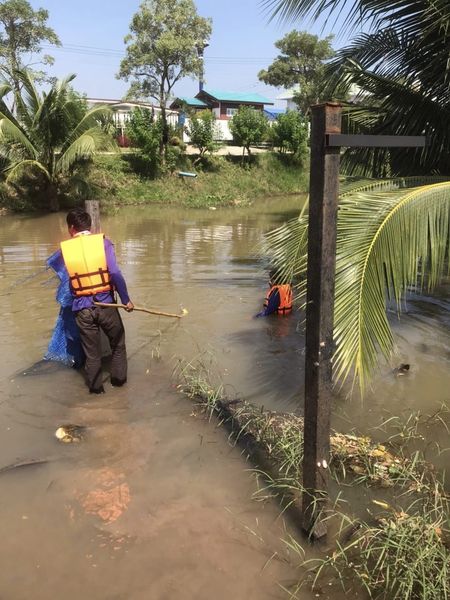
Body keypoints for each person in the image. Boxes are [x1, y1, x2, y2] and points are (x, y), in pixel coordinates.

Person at [60, 208, 134, 394]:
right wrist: (126, 300)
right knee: (117, 344)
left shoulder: (66, 249)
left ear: (71, 229)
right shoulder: (104, 243)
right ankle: (119, 386)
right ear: (90, 226)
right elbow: (115, 273)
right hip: (106, 304)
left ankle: (96, 392)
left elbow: (68, 281)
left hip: (82, 309)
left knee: (92, 354)